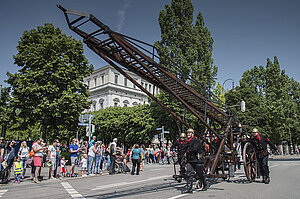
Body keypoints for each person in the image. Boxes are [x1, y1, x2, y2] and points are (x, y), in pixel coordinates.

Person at [183, 128, 207, 194]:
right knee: (189, 174)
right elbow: (184, 148)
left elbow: (194, 149)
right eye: (187, 133)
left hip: (197, 160)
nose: (188, 134)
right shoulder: (188, 141)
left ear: (192, 134)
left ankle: (205, 183)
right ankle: (189, 188)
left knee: (200, 174)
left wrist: (187, 152)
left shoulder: (196, 140)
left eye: (189, 133)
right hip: (190, 160)